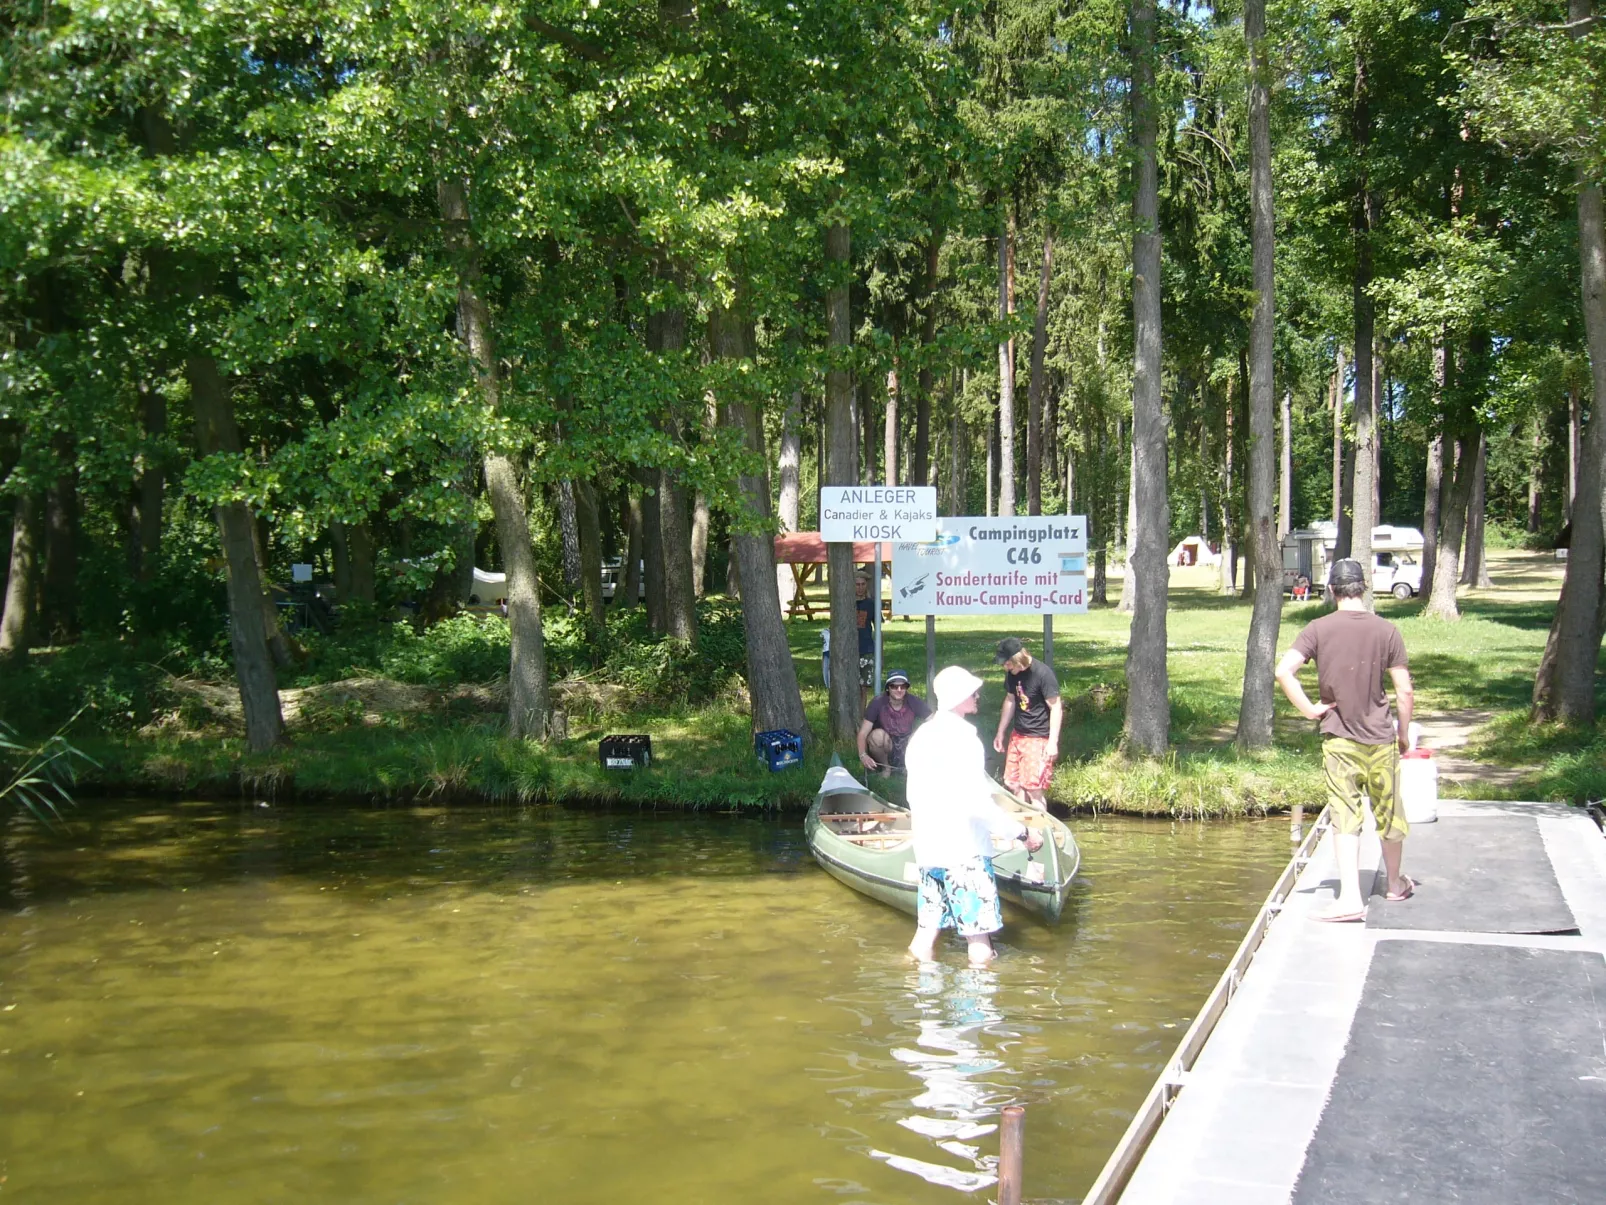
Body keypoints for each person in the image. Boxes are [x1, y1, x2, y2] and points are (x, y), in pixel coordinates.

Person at [1274, 557, 1415, 922]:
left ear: (1332, 590)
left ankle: (1350, 897)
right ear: (1363, 588)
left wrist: (1310, 709)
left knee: (1345, 815)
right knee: (1389, 813)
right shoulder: (1387, 631)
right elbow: (1404, 691)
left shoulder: (1317, 629)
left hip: (1339, 739)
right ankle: (1395, 884)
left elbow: (1283, 671)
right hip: (1382, 738)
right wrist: (1402, 734)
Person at [906, 666, 1044, 966]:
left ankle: (924, 1005)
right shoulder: (965, 740)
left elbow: (912, 796)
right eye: (972, 692)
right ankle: (978, 1009)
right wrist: (1020, 833)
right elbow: (977, 804)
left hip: (929, 851)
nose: (978, 695)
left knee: (926, 934)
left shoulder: (922, 736)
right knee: (979, 943)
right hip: (963, 854)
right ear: (958, 698)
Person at [991, 637, 1063, 810]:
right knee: (1013, 783)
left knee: (1033, 789)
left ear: (1017, 660)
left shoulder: (1042, 674)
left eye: (1007, 664)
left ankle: (1039, 832)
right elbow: (1010, 700)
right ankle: (1023, 831)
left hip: (1037, 738)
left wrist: (1053, 742)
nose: (1005, 668)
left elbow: (1056, 707)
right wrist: (1001, 732)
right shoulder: (1012, 674)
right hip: (1018, 735)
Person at [857, 669, 931, 774]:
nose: (899, 689)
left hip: (908, 745)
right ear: (888, 688)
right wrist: (863, 755)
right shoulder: (877, 703)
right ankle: (886, 768)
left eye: (903, 686)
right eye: (894, 686)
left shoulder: (914, 701)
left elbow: (934, 721)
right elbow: (863, 733)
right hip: (886, 747)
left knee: (923, 731)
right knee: (876, 736)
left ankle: (909, 766)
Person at [854, 570, 876, 710]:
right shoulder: (845, 604)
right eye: (857, 584)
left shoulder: (871, 604)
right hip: (849, 650)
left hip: (866, 648)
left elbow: (878, 628)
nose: (860, 587)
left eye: (863, 584)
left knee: (863, 687)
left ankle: (861, 716)